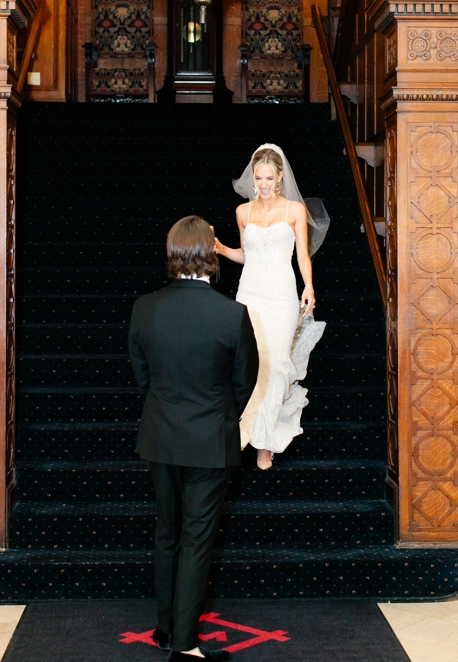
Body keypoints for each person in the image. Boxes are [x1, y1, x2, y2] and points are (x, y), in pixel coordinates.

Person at [129, 216, 260, 662]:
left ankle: (166, 630)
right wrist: (217, 417)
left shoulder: (145, 307)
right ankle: (185, 645)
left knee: (167, 532)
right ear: (211, 254)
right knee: (196, 538)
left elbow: (141, 376)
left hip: (160, 436)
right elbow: (245, 383)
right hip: (210, 440)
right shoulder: (232, 314)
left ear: (173, 253)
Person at [215, 143, 328, 471]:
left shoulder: (294, 210)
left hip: (281, 295)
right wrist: (222, 249)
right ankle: (248, 426)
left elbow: (302, 255)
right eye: (258, 178)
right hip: (250, 295)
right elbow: (246, 255)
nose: (263, 185)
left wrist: (308, 285)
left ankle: (265, 443)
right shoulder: (243, 212)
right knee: (251, 363)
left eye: (269, 178)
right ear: (253, 178)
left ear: (279, 178)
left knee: (276, 364)